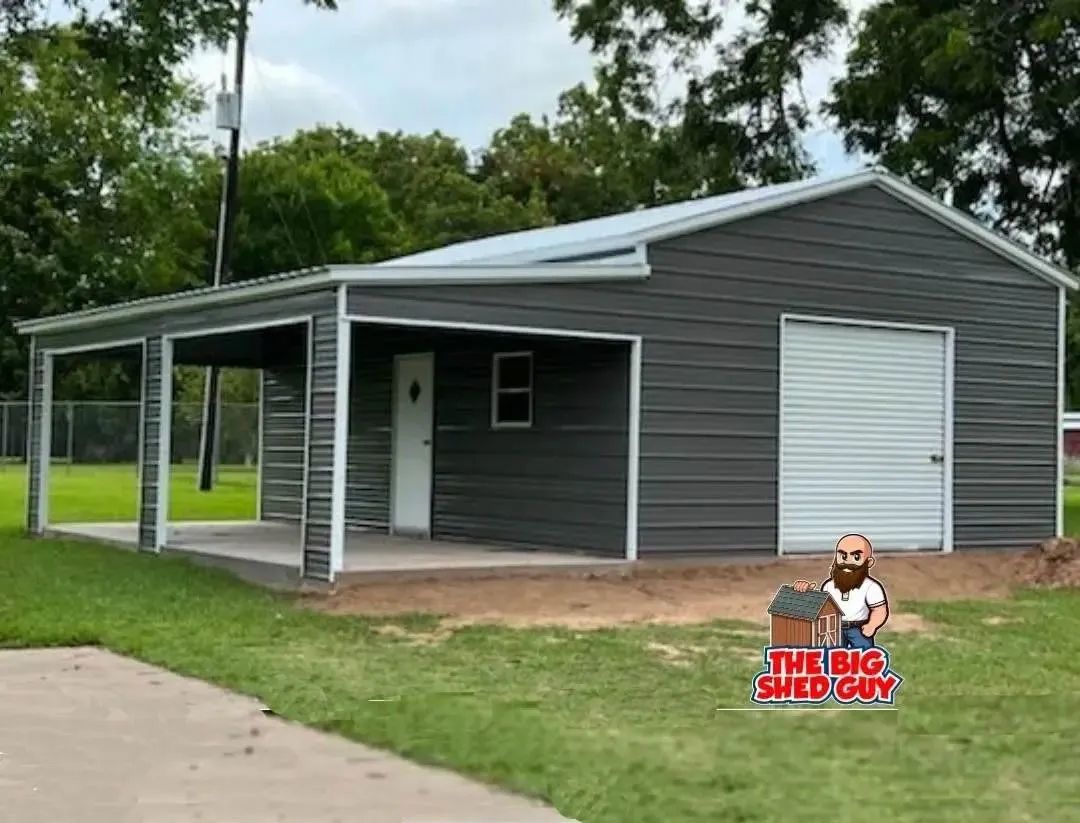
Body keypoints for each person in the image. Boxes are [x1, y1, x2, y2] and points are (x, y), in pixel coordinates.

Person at [792, 533, 889, 649]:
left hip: (859, 630)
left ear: (869, 563)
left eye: (856, 557)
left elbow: (879, 610)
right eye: (843, 556)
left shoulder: (871, 587)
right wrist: (805, 592)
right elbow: (821, 608)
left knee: (864, 659)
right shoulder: (829, 585)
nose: (847, 562)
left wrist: (872, 625)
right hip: (834, 629)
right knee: (831, 659)